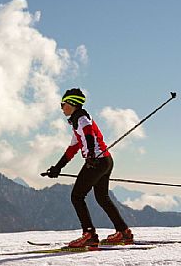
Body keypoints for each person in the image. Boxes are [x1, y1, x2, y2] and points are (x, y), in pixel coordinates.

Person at [46, 88, 133, 248]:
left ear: (71, 103)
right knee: (102, 198)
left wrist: (91, 155)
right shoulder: (77, 122)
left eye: (62, 103)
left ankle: (89, 235)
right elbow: (72, 149)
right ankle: (123, 232)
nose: (61, 107)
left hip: (97, 161)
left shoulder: (81, 118)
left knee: (77, 196)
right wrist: (57, 168)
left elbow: (88, 134)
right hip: (105, 161)